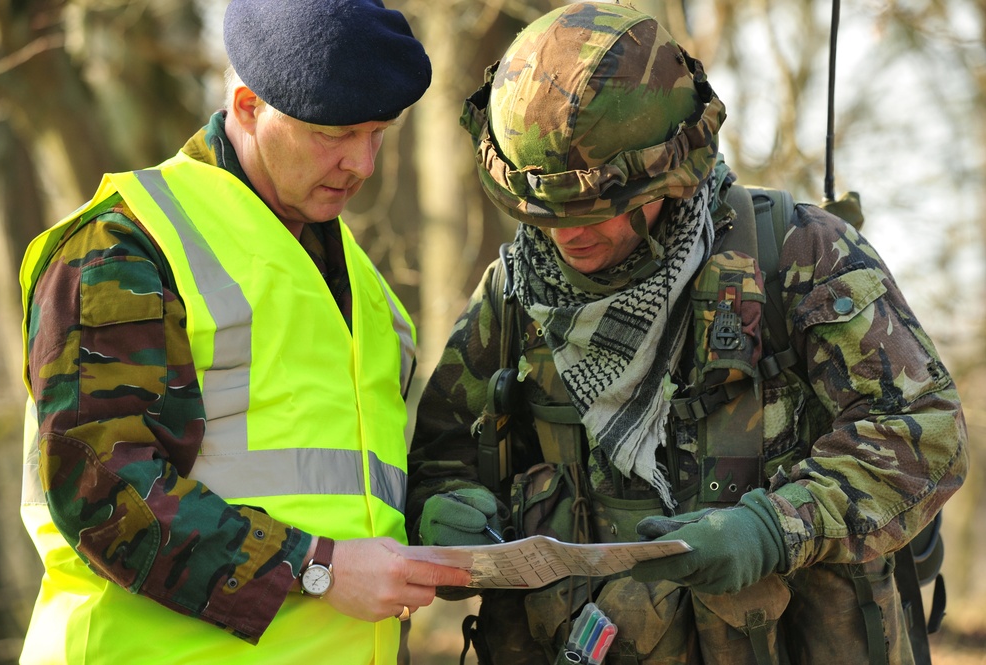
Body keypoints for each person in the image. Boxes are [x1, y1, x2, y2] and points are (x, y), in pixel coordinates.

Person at [405, 3, 969, 664]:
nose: (568, 235)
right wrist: (447, 506)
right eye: (543, 215)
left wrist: (773, 527)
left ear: (673, 176)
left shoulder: (796, 255)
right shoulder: (513, 294)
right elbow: (441, 452)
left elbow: (925, 433)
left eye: (597, 209)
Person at [16, 1, 471, 663]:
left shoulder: (362, 283)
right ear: (248, 104)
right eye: (334, 133)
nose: (362, 164)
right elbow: (102, 491)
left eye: (378, 132)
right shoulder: (125, 245)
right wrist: (317, 568)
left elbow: (358, 501)